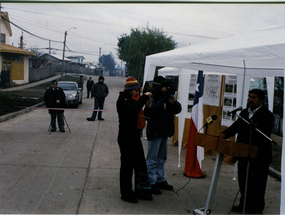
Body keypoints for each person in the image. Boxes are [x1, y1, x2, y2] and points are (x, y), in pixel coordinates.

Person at [219, 89, 274, 214]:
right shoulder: (244, 113)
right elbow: (236, 126)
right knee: (244, 180)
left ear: (261, 100)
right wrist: (225, 134)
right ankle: (244, 204)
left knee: (258, 182)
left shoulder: (267, 115)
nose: (251, 99)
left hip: (259, 155)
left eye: (254, 97)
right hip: (243, 152)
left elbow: (263, 134)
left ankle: (257, 208)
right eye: (250, 97)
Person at [116, 77, 153, 203]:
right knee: (127, 166)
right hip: (126, 138)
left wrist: (148, 103)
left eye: (139, 91)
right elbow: (133, 110)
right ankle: (126, 193)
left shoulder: (136, 100)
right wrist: (144, 98)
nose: (138, 93)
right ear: (130, 91)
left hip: (135, 136)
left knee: (140, 164)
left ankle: (141, 189)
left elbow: (142, 112)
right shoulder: (122, 100)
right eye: (136, 91)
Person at [144, 76, 182, 195]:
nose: (166, 89)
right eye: (164, 87)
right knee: (152, 159)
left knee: (162, 158)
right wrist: (161, 97)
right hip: (155, 131)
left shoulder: (167, 98)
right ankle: (149, 182)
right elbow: (152, 111)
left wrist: (172, 101)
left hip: (165, 131)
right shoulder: (152, 97)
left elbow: (177, 109)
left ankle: (160, 179)